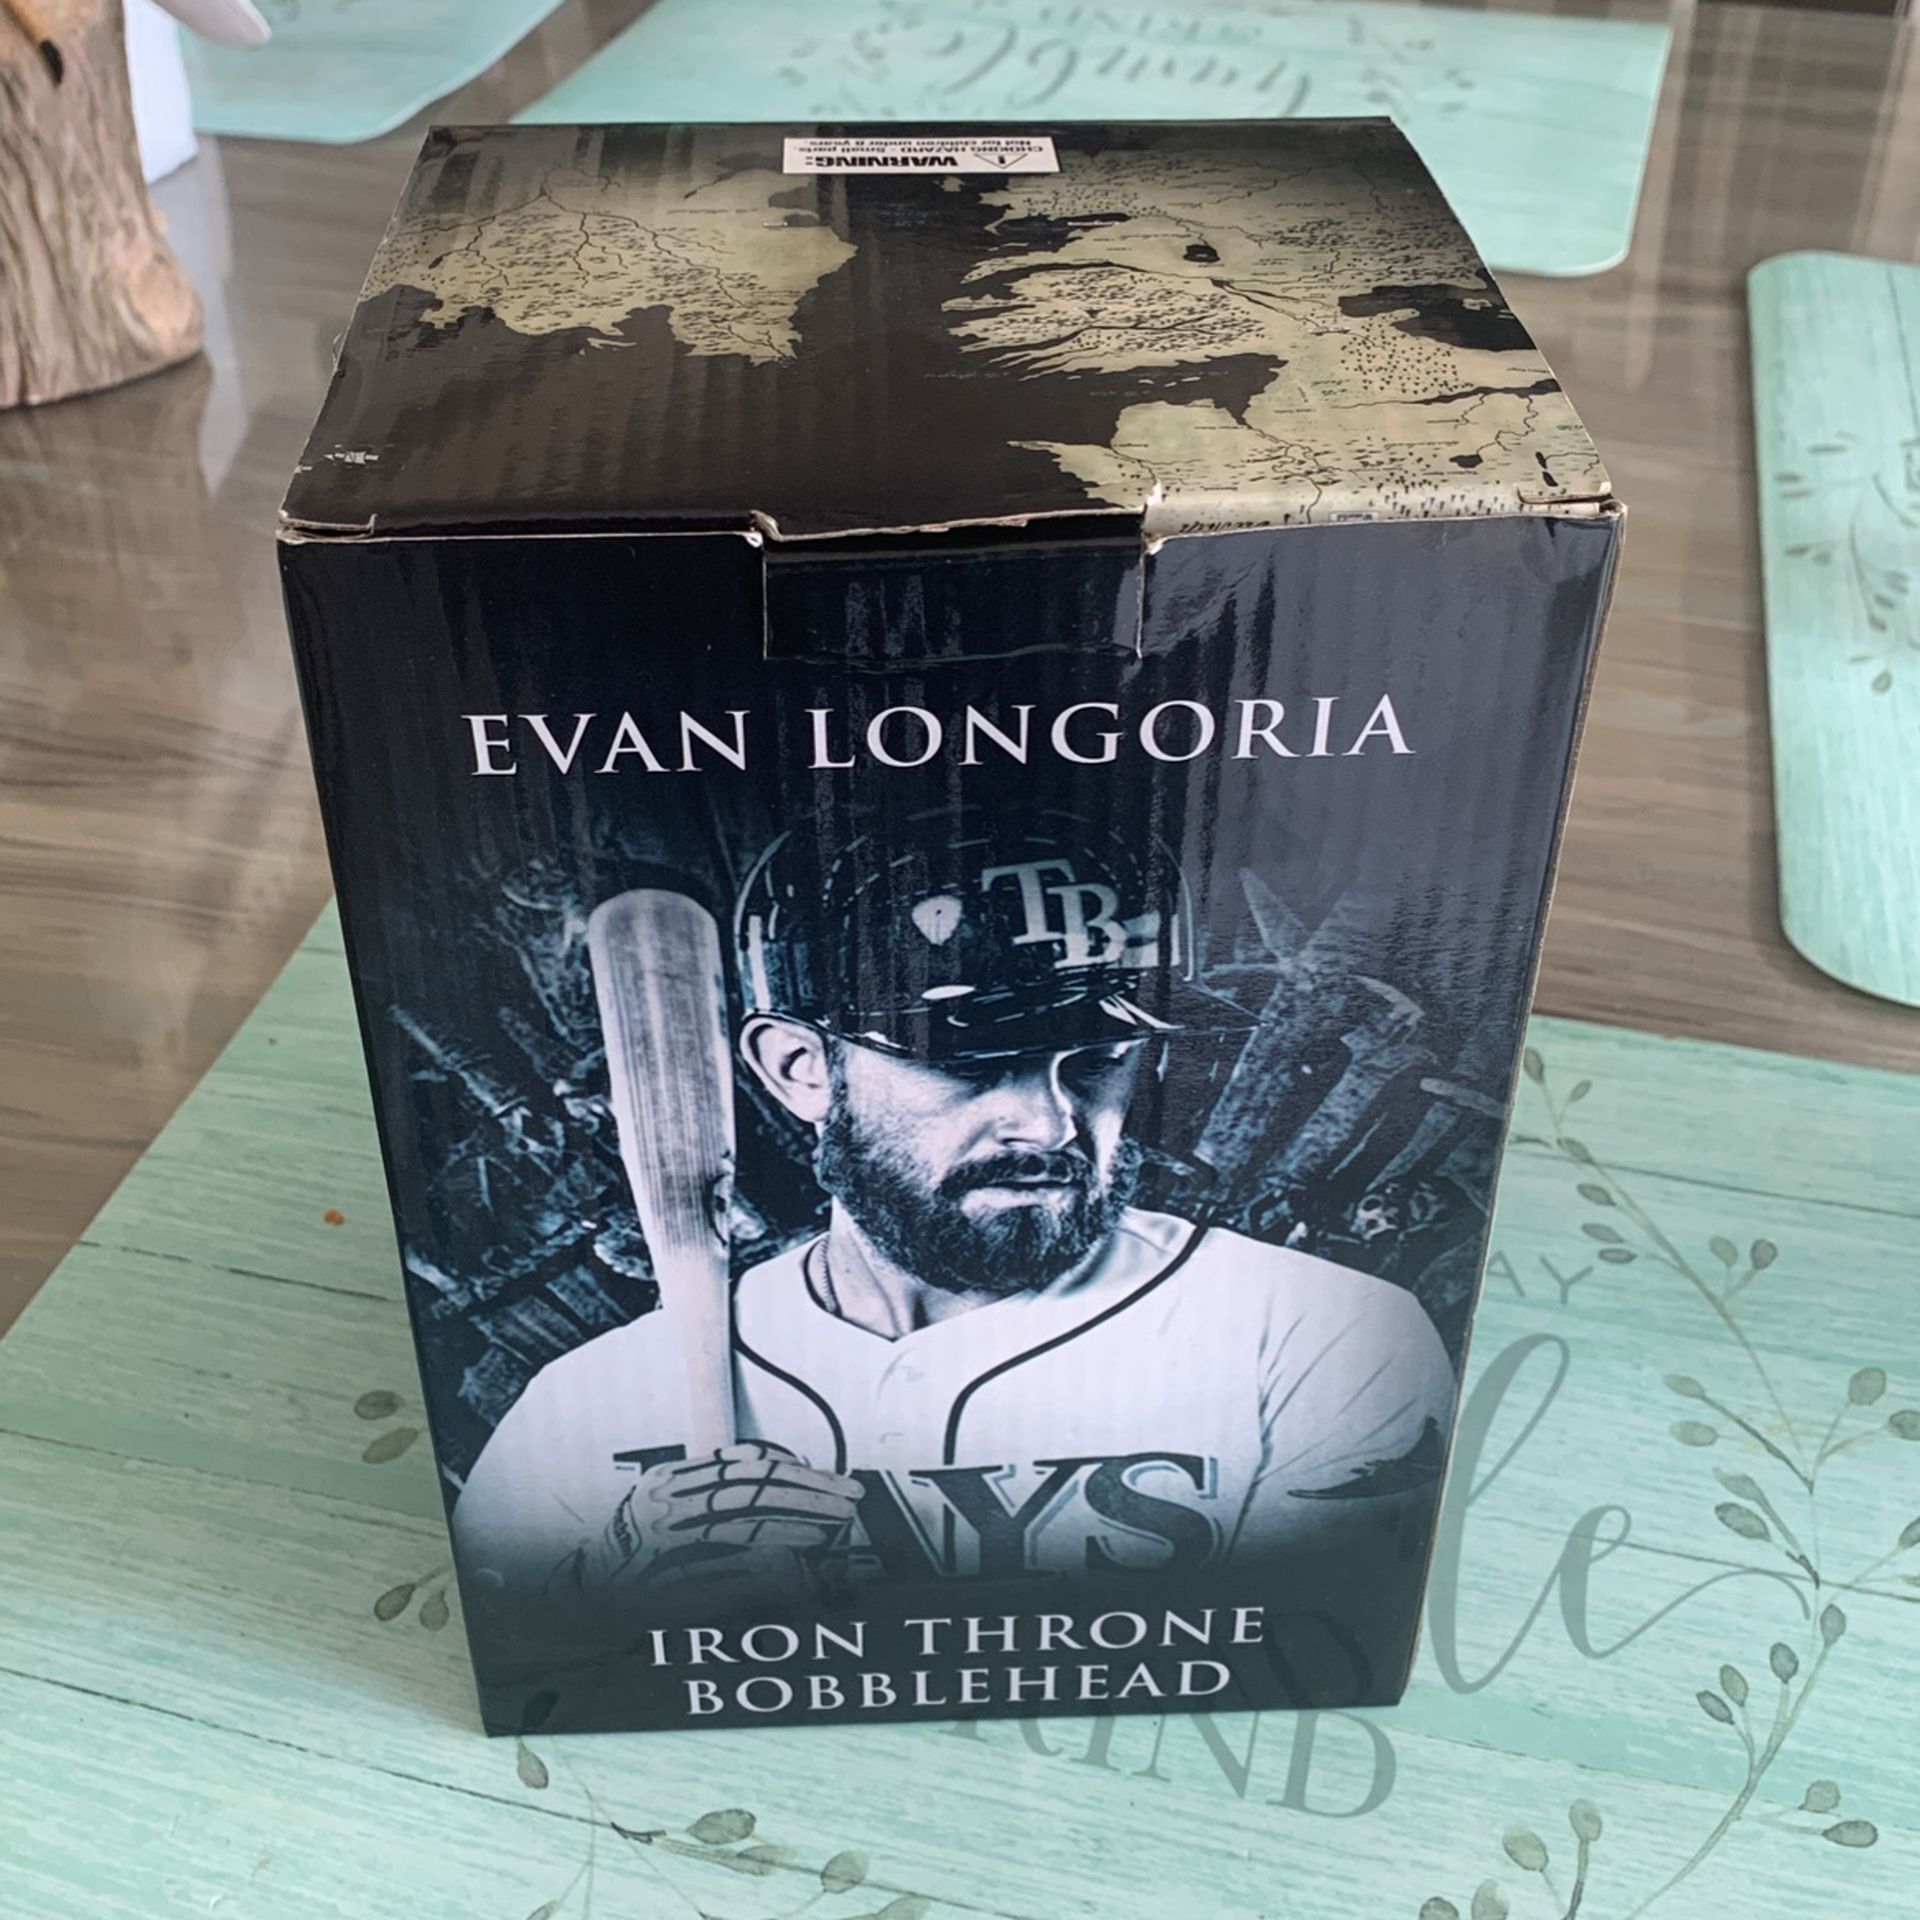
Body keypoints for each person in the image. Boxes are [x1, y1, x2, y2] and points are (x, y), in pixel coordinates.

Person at [454, 807, 1455, 1615]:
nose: (1048, 1121)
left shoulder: (1318, 1338)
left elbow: (1310, 1653)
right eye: (971, 1061)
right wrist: (622, 1597)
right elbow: (512, 1676)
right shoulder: (585, 1409)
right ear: (800, 1069)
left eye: (1098, 1060)